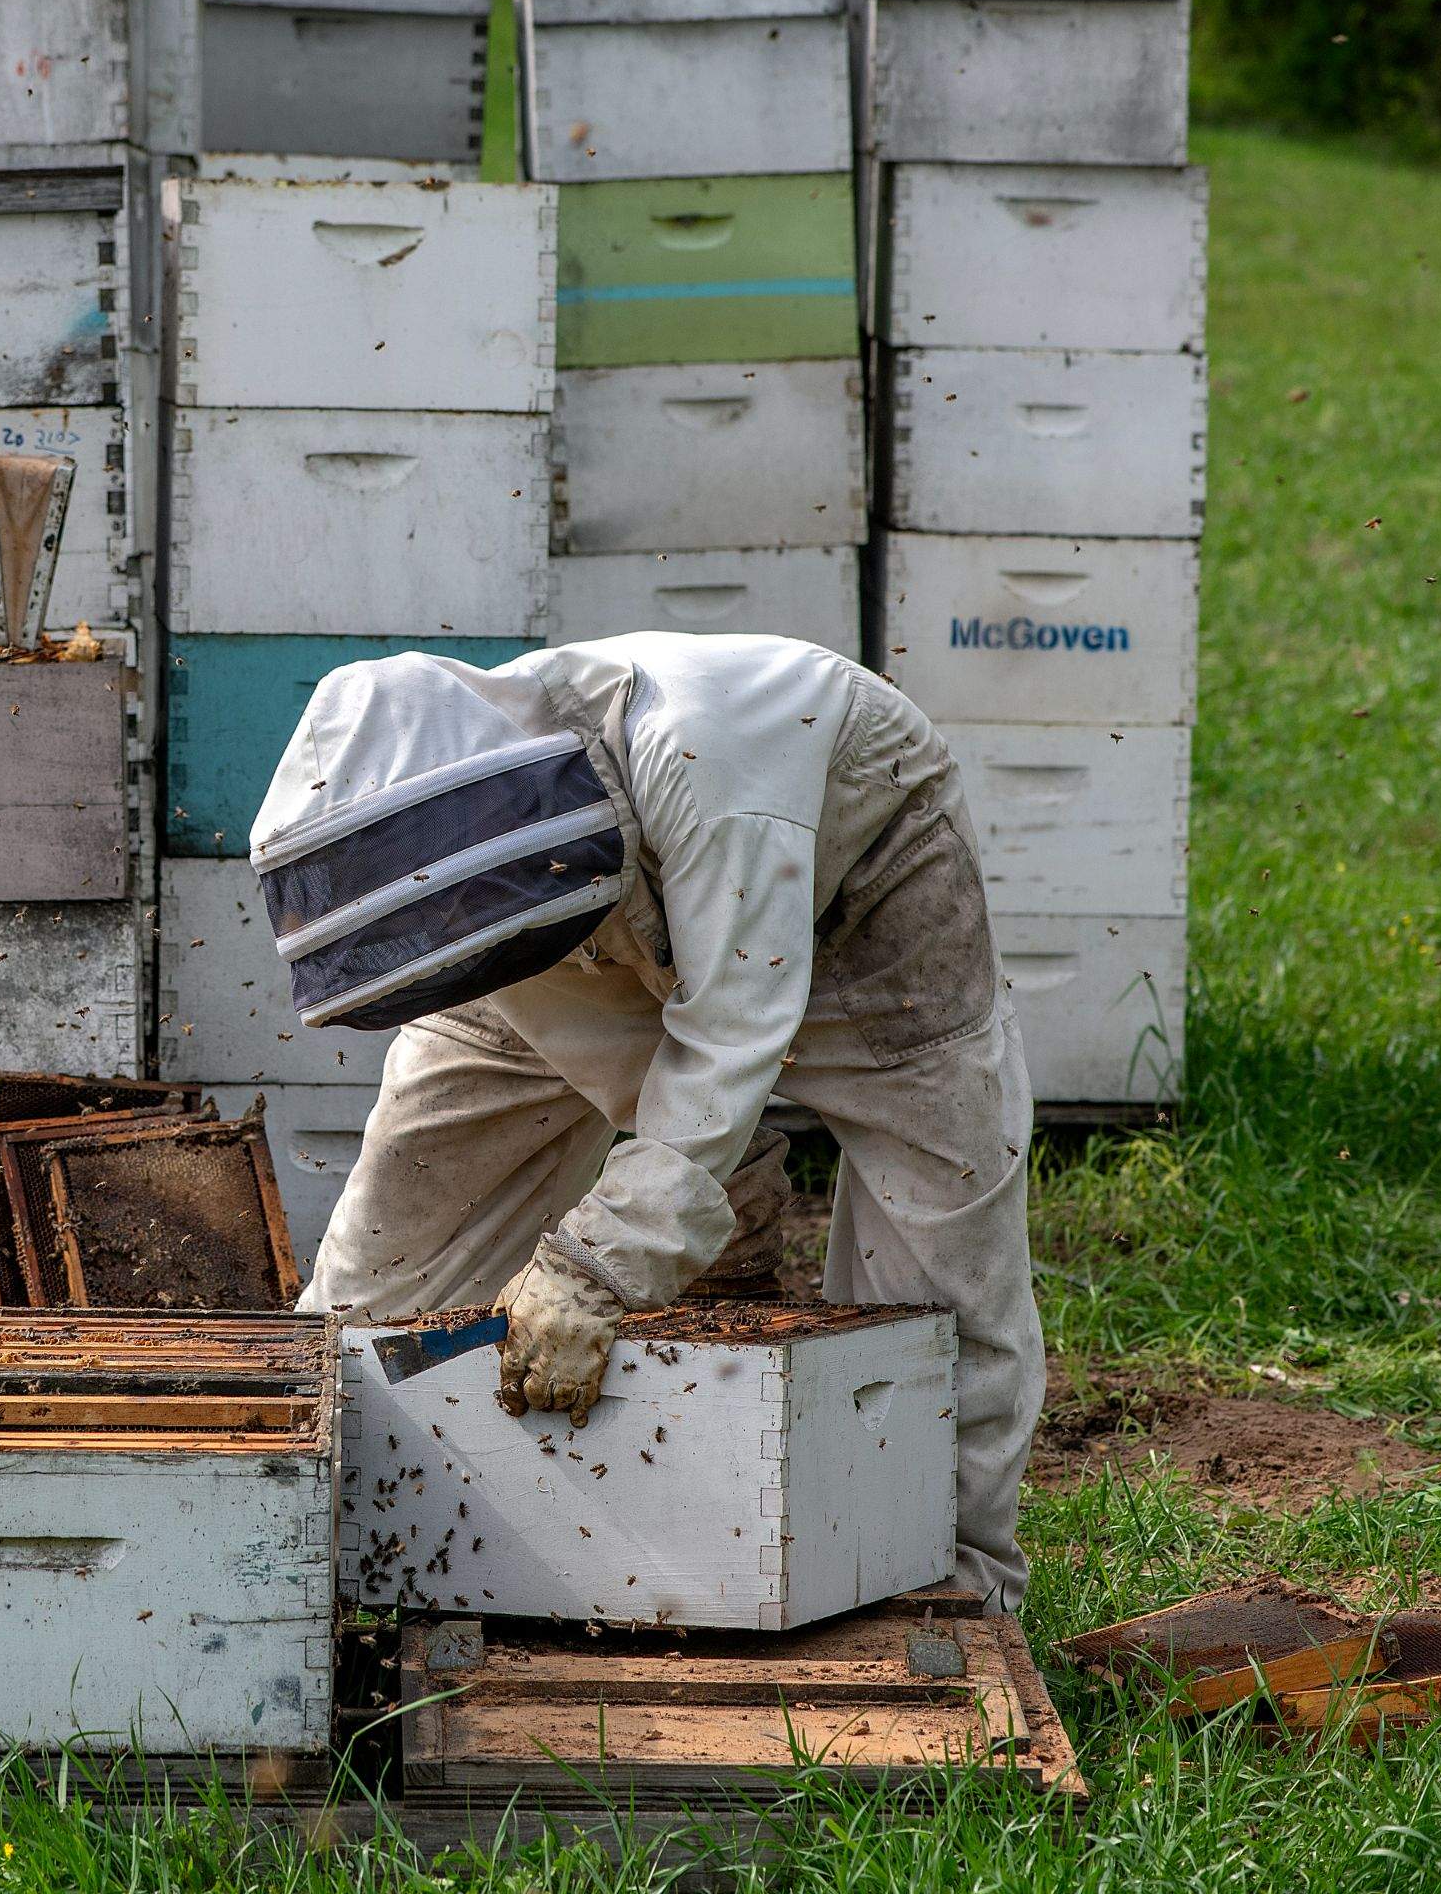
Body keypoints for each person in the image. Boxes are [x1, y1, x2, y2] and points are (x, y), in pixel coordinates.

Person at [251, 633, 1044, 1609]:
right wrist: (678, 1206)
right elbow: (619, 1058)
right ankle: (302, 1564)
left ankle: (945, 1595)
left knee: (940, 1234)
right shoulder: (473, 877)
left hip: (860, 860)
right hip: (561, 929)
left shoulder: (701, 761)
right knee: (376, 1280)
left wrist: (593, 1268)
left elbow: (730, 1033)